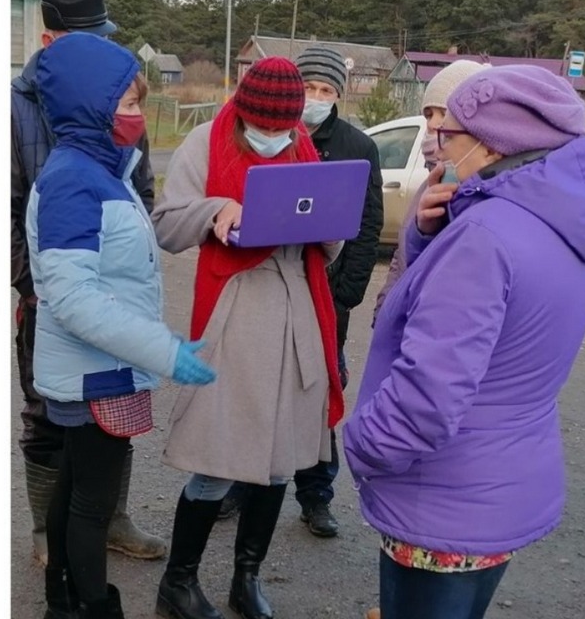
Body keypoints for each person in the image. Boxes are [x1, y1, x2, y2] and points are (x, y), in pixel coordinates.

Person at [344, 65, 585, 619]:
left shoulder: (482, 238)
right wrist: (422, 236)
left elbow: (426, 398)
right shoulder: (559, 218)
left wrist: (362, 444)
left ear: (493, 144)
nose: (435, 146)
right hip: (502, 484)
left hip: (440, 497)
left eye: (447, 134)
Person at [28, 32, 217, 619]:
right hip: (96, 373)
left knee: (74, 488)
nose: (138, 118)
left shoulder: (101, 170)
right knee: (93, 502)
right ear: (90, 107)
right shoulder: (72, 182)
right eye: (130, 105)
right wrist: (163, 350)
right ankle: (92, 606)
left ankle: (62, 599)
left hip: (100, 366)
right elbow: (75, 299)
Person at [151, 57, 345, 619]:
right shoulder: (204, 140)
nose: (274, 137)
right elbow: (165, 223)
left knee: (282, 456)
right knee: (217, 457)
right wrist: (216, 210)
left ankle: (247, 576)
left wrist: (328, 223)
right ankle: (177, 583)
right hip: (233, 307)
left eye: (284, 129)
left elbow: (327, 241)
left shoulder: (303, 143)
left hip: (296, 307)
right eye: (263, 127)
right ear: (242, 109)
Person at [12, 0, 164, 567]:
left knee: (115, 410)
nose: (99, 52)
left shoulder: (119, 96)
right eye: (86, 40)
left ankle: (110, 518)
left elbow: (139, 185)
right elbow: (6, 209)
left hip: (113, 294)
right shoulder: (17, 108)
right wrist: (34, 288)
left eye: (104, 39)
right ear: (50, 41)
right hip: (49, 295)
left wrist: (132, 262)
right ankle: (51, 534)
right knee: (47, 413)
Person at [216, 45, 382, 539]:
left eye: (327, 91)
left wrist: (346, 290)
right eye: (309, 88)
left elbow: (366, 222)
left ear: (339, 97)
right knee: (259, 392)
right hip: (271, 290)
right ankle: (242, 485)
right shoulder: (269, 137)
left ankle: (316, 496)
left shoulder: (358, 146)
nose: (316, 98)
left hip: (326, 298)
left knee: (318, 394)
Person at [372, 59, 486, 322]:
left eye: (443, 113)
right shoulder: (430, 180)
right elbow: (400, 260)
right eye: (428, 114)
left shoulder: (477, 189)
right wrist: (384, 311)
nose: (433, 124)